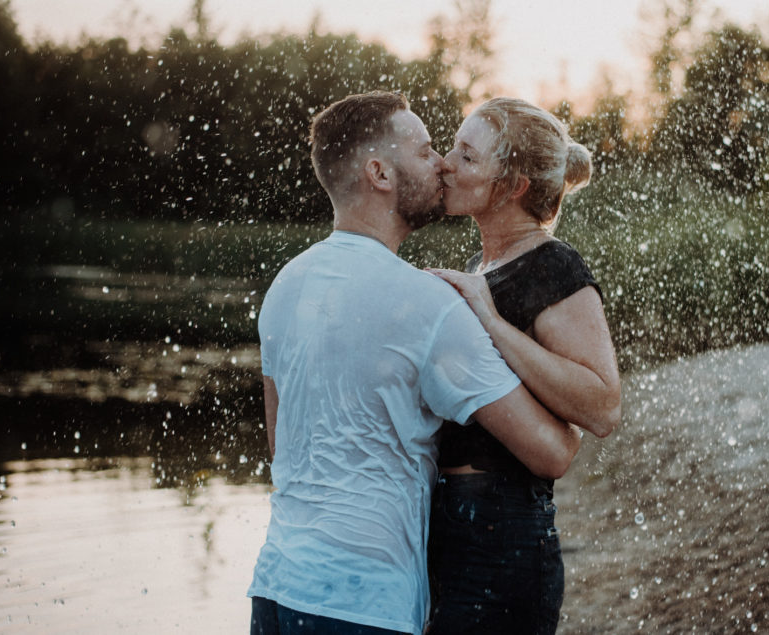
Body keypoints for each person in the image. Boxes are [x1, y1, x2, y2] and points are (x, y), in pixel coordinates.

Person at [247, 91, 581, 635]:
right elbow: (552, 452)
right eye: (426, 150)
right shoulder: (427, 304)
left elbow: (283, 448)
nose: (442, 164)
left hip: (277, 590)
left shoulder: (285, 286)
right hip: (364, 605)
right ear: (379, 172)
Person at [426, 97, 622, 634]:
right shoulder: (481, 266)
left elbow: (602, 406)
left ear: (512, 186)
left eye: (467, 157)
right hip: (450, 527)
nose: (446, 163)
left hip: (503, 530)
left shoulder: (554, 265)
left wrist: (489, 320)